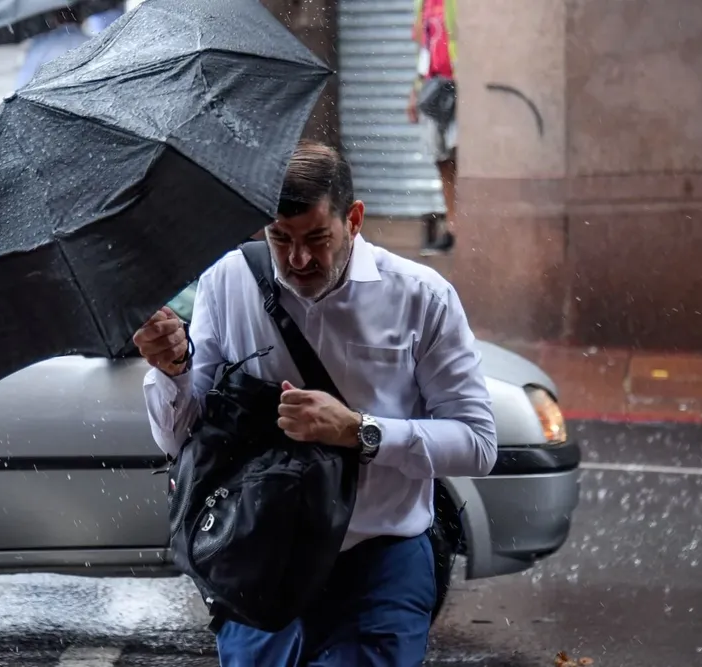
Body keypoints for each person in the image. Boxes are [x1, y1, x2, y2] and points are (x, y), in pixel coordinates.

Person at [132, 141, 497, 666]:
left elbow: (478, 444)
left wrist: (359, 431)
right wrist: (171, 371)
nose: (298, 259)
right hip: (257, 557)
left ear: (354, 219)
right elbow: (180, 438)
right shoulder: (227, 281)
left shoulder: (421, 296)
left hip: (379, 561)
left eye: (316, 238)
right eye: (280, 238)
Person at [408, 0, 457, 256]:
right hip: (434, 87)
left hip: (458, 85)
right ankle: (453, 227)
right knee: (442, 161)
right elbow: (424, 47)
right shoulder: (423, 3)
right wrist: (416, 92)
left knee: (461, 155)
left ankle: (469, 224)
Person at [15, 10, 91, 90]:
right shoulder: (92, 41)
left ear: (55, 19)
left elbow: (23, 83)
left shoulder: (41, 46)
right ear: (82, 18)